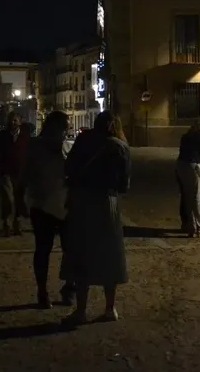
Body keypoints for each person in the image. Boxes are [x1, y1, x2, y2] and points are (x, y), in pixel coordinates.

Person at [60, 112, 130, 327]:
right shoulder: (121, 146)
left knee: (82, 254)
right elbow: (124, 185)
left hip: (83, 202)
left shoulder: (83, 140)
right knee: (110, 254)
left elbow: (68, 168)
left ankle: (81, 311)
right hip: (108, 204)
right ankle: (110, 308)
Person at [20, 111, 75, 308]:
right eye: (64, 127)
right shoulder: (36, 147)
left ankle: (69, 287)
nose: (65, 132)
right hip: (42, 205)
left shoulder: (67, 147)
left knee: (70, 249)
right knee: (44, 250)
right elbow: (26, 173)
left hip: (64, 205)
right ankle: (42, 291)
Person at [0, 112, 30, 236]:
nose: (12, 123)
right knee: (7, 198)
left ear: (20, 121)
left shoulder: (26, 137)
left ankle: (17, 223)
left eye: (15, 120)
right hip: (6, 171)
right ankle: (6, 223)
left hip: (21, 172)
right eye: (10, 120)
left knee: (20, 198)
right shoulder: (2, 136)